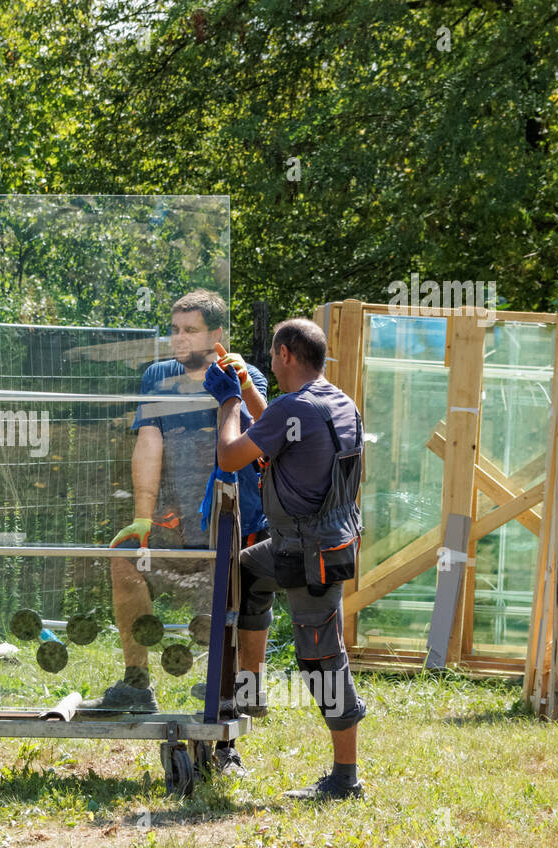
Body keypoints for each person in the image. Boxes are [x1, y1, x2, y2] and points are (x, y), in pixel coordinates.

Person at [83, 291, 268, 765]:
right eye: (175, 329)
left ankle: (227, 732)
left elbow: (258, 439)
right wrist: (143, 517)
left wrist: (242, 382)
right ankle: (136, 683)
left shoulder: (243, 375)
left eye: (190, 330)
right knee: (124, 560)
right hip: (171, 521)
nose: (179, 338)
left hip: (230, 522)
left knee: (224, 619)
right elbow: (149, 443)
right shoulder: (158, 377)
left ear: (216, 335)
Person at [207, 317, 367, 800]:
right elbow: (280, 428)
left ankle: (345, 778)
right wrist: (244, 385)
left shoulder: (293, 406)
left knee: (322, 660)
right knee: (246, 574)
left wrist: (229, 400)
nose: (271, 364)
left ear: (286, 356)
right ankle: (250, 692)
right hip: (316, 543)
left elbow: (232, 455)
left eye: (274, 356)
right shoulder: (336, 401)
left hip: (308, 554)